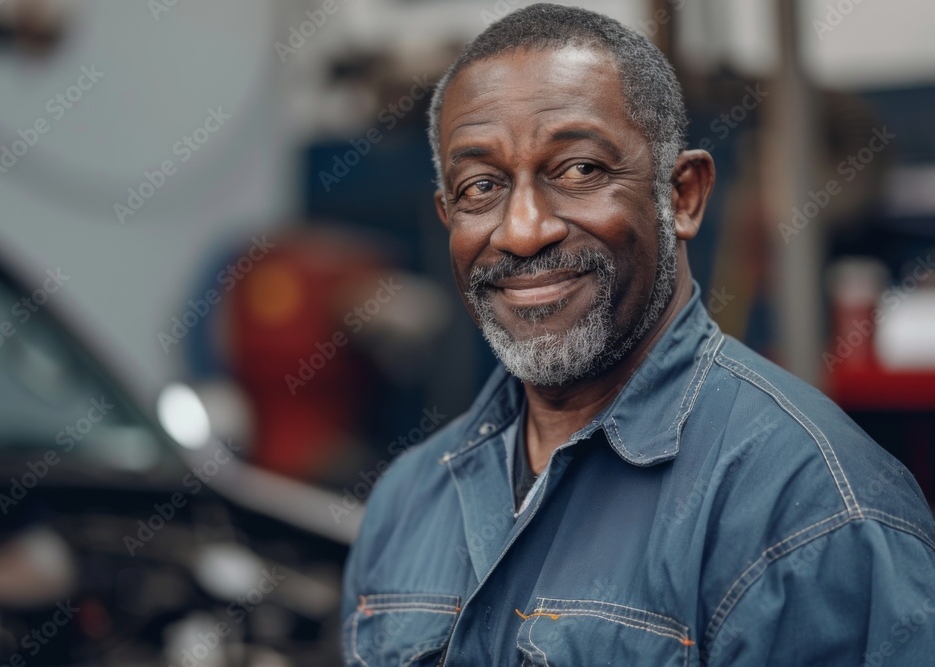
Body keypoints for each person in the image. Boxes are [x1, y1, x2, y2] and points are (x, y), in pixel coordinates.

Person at [340, 4, 935, 665]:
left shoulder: (811, 512)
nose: (522, 229)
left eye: (579, 170)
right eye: (481, 186)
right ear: (448, 216)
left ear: (681, 195)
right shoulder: (406, 502)